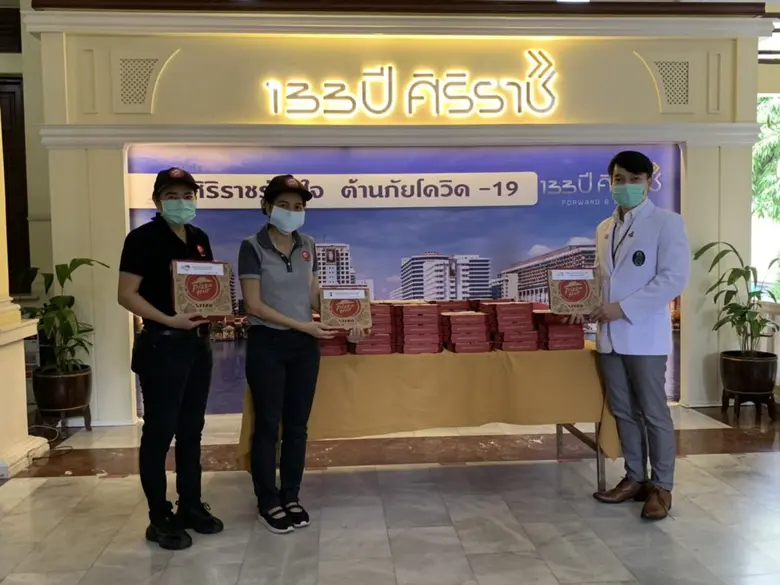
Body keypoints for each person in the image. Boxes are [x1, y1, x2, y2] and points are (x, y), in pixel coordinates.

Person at [238, 174, 366, 534]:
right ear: (267, 206)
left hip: (303, 347)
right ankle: (267, 500)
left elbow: (313, 295)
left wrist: (349, 320)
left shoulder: (307, 244)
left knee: (297, 426)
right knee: (267, 425)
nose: (292, 211)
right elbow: (254, 305)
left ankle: (291, 494)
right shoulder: (252, 246)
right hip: (267, 343)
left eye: (298, 206)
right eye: (284, 205)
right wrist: (303, 326)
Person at [576, 151, 690, 520]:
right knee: (623, 410)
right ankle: (635, 477)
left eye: (634, 179)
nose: (626, 186)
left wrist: (623, 308)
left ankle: (662, 486)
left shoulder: (666, 223)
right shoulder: (604, 228)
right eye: (619, 179)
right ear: (610, 182)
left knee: (653, 412)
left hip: (644, 334)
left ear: (648, 183)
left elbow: (673, 279)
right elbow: (601, 276)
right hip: (609, 335)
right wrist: (585, 303)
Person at [118, 167, 224, 550]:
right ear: (157, 200)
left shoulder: (199, 238)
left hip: (197, 347)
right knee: (160, 431)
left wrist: (213, 312)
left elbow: (207, 290)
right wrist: (169, 320)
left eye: (188, 195)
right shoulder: (141, 239)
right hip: (161, 346)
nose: (182, 202)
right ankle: (158, 516)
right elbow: (126, 294)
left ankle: (191, 504)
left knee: (192, 429)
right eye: (172, 196)